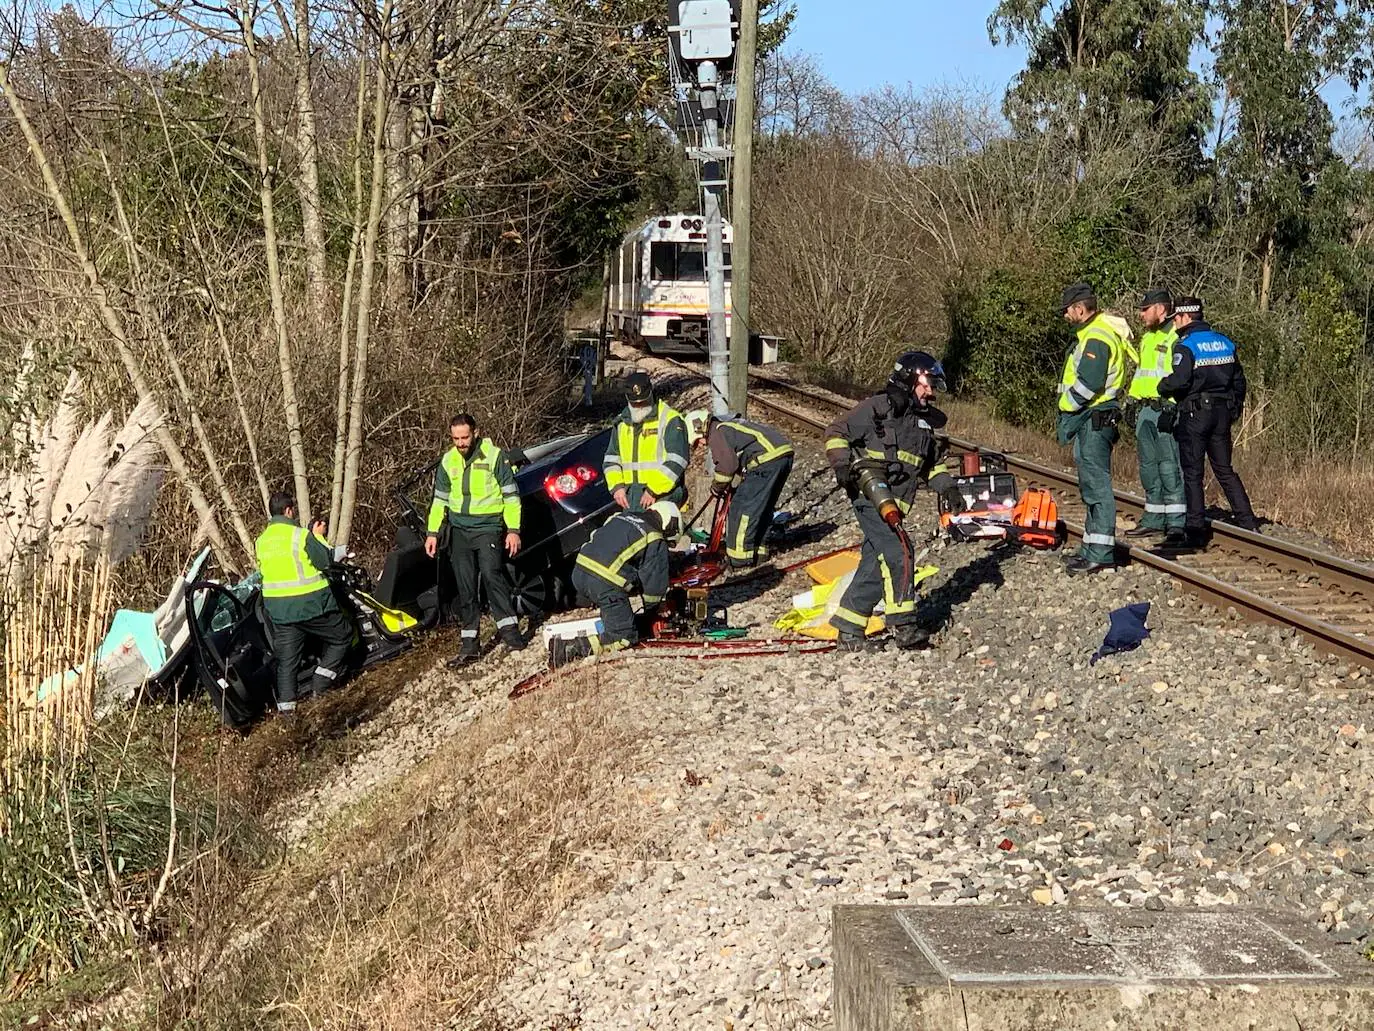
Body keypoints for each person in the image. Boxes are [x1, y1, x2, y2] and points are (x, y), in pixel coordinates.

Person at [824, 350, 963, 651]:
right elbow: (836, 431)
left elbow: (930, 467)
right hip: (869, 493)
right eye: (925, 383)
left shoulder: (923, 425)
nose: (930, 391)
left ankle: (848, 629)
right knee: (901, 550)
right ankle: (904, 625)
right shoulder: (876, 408)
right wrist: (841, 466)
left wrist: (948, 488)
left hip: (897, 504)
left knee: (876, 563)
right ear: (908, 380)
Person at [424, 413, 525, 666]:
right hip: (460, 531)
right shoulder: (448, 461)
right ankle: (470, 644)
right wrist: (432, 533)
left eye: (464, 437)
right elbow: (439, 501)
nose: (460, 443)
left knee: (492, 576)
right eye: (455, 438)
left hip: (488, 527)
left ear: (475, 433)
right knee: (465, 586)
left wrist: (513, 529)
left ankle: (511, 635)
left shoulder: (494, 456)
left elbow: (511, 496)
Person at [1158, 295, 1259, 546]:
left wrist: (1164, 387)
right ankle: (1248, 522)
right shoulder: (1225, 342)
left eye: (1175, 319)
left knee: (1193, 473)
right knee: (1224, 469)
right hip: (1222, 413)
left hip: (1195, 414)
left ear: (1185, 317)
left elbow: (1180, 380)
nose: (1173, 324)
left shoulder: (1185, 345)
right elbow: (1239, 381)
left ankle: (1194, 531)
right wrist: (1234, 408)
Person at [254, 492, 353, 713]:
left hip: (279, 612)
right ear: (289, 511)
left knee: (287, 664)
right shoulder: (300, 535)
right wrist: (323, 541)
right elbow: (324, 561)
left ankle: (288, 715)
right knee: (343, 636)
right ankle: (321, 680)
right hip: (311, 605)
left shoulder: (261, 542)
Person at [1057, 282, 1131, 575]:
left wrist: (1066, 406)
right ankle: (1091, 548)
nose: (1065, 316)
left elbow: (1089, 384)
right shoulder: (1092, 333)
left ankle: (1100, 553)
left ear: (1080, 308)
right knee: (1089, 484)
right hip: (1092, 418)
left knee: (1097, 486)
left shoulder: (1097, 337)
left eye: (1067, 310)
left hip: (1094, 418)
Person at [563, 500, 683, 658]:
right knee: (624, 637)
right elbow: (653, 583)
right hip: (603, 582)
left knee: (615, 610)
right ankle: (569, 649)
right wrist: (657, 607)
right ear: (670, 525)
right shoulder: (654, 537)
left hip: (579, 571)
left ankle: (610, 625)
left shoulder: (622, 516)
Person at [684, 409, 793, 568]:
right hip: (781, 457)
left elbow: (727, 466)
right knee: (761, 508)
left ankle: (739, 559)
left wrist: (717, 487)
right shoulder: (728, 427)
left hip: (766, 461)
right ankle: (759, 552)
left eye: (697, 441)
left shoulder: (717, 432)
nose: (701, 444)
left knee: (742, 508)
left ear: (699, 428)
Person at [1124, 288, 1187, 544]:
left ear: (1160, 309)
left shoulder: (1176, 336)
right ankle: (1153, 519)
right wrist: (1131, 400)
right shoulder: (1148, 337)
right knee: (1148, 467)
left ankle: (1175, 524)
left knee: (1169, 466)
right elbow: (1143, 372)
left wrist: (1173, 404)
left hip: (1166, 410)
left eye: (1145, 309)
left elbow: (1181, 376)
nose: (1140, 314)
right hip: (1146, 410)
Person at [603, 372, 689, 513]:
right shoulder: (621, 423)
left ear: (650, 394)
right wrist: (617, 487)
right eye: (635, 403)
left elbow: (677, 460)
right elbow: (611, 459)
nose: (640, 406)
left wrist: (653, 490)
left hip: (662, 495)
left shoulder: (670, 419)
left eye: (643, 401)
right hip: (631, 496)